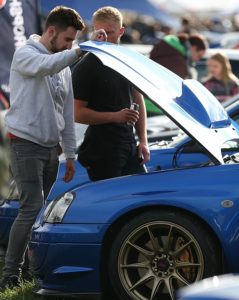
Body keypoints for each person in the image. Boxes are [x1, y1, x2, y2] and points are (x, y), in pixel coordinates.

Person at [0, 5, 106, 291]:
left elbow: (65, 115)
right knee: (31, 207)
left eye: (73, 41)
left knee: (36, 210)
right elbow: (46, 65)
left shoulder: (63, 67)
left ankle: (22, 268)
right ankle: (11, 273)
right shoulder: (26, 53)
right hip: (24, 144)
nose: (70, 45)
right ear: (50, 32)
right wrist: (80, 51)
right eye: (68, 39)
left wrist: (70, 154)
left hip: (50, 149)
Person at [72, 6, 150, 181]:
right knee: (112, 204)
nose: (105, 38)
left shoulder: (127, 60)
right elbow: (76, 113)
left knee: (142, 197)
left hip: (129, 144)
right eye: (100, 32)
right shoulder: (88, 65)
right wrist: (115, 117)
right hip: (102, 149)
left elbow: (138, 98)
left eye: (110, 32)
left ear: (121, 31)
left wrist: (143, 140)